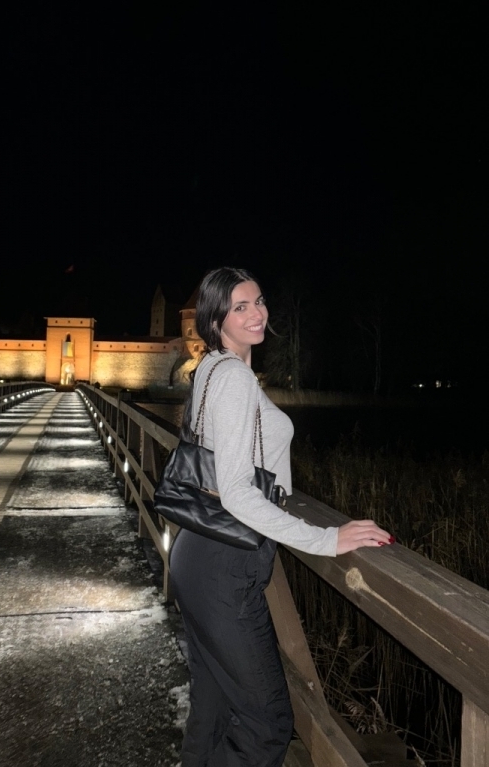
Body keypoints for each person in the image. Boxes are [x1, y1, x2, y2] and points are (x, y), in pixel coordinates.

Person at [169, 267, 393, 767]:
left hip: (194, 553)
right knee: (268, 726)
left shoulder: (212, 368)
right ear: (215, 319)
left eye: (259, 301)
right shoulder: (233, 378)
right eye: (240, 307)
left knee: (212, 709)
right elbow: (237, 493)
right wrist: (327, 539)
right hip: (225, 564)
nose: (257, 313)